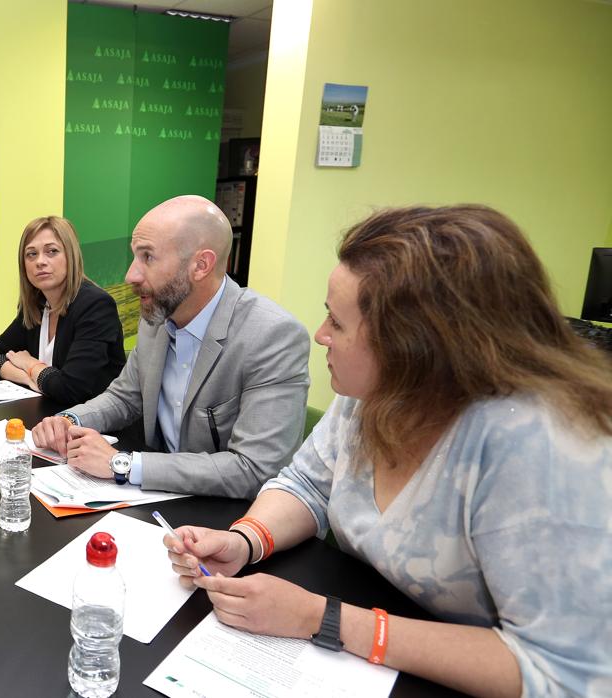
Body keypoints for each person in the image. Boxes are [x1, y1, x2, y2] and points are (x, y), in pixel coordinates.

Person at [165, 206, 612, 697]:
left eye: (337, 320)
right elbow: (307, 484)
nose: (321, 335)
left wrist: (323, 618)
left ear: (415, 345)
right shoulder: (370, 396)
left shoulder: (538, 444)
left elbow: (561, 673)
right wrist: (247, 540)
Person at [31, 195, 310, 498]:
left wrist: (123, 464)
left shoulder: (272, 336)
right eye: (135, 256)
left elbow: (254, 470)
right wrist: (69, 420)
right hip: (161, 501)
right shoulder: (158, 317)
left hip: (228, 517)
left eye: (147, 257)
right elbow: (125, 397)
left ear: (201, 265)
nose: (130, 275)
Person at [0, 215, 126, 408]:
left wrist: (30, 363)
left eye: (52, 251)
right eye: (31, 254)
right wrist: (29, 377)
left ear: (71, 256)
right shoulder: (38, 304)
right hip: (48, 417)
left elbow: (70, 388)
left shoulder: (96, 306)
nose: (40, 261)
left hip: (94, 428)